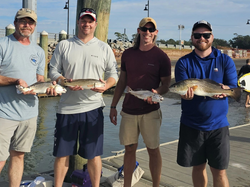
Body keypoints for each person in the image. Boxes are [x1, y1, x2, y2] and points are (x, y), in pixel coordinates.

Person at [49, 8, 118, 187]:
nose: (86, 24)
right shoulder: (65, 45)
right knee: (62, 153)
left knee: (94, 154)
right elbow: (53, 70)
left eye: (90, 21)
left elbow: (113, 74)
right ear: (78, 22)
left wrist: (106, 86)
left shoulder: (104, 47)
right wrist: (63, 80)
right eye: (83, 20)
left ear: (95, 24)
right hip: (67, 107)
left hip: (93, 107)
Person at [109, 17, 171, 187]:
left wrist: (157, 92)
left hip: (151, 111)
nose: (147, 33)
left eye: (151, 30)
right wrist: (113, 106)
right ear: (139, 31)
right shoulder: (128, 54)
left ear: (156, 33)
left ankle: (155, 185)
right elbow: (122, 81)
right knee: (129, 150)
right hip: (128, 110)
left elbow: (166, 84)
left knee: (153, 149)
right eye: (144, 29)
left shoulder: (161, 57)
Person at [175, 20, 237, 187]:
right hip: (191, 124)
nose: (201, 38)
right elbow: (181, 88)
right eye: (197, 35)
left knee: (220, 171)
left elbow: (233, 86)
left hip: (218, 125)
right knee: (198, 167)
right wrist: (184, 95)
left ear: (212, 37)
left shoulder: (225, 60)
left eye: (206, 35)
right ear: (192, 37)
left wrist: (226, 89)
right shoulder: (183, 62)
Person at [0, 8, 45, 186]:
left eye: (30, 22)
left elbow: (39, 79)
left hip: (29, 113)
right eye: (23, 21)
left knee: (19, 155)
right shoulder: (3, 44)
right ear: (16, 22)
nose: (27, 25)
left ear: (34, 26)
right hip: (4, 112)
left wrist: (45, 88)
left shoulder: (39, 51)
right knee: (1, 158)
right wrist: (15, 81)